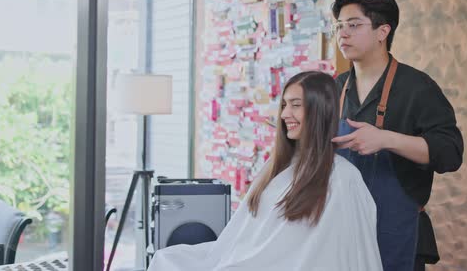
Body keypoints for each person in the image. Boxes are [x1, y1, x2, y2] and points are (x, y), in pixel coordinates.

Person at [148, 71, 382, 271]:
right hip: (249, 260)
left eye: (296, 105)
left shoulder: (342, 178)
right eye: (284, 105)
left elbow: (351, 256)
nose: (284, 114)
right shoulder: (277, 169)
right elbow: (243, 238)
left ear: (320, 109)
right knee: (167, 259)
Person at [330, 0, 464, 271]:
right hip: (340, 233)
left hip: (396, 235)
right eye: (339, 26)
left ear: (383, 32)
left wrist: (385, 139)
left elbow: (450, 153)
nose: (342, 33)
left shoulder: (418, 87)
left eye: (354, 25)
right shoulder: (333, 87)